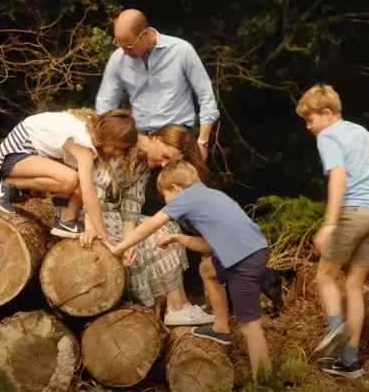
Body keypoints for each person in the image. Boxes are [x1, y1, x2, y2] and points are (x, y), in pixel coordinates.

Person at [105, 160, 271, 382]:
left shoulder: (185, 197)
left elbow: (152, 225)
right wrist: (178, 238)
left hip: (245, 259)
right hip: (248, 249)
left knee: (250, 326)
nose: (166, 203)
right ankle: (221, 328)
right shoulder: (208, 195)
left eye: (164, 196)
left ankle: (265, 382)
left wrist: (120, 247)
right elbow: (211, 245)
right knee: (207, 269)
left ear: (175, 189)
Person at [296, 84, 369, 378]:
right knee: (355, 284)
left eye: (310, 119)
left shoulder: (329, 135)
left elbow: (339, 177)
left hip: (354, 210)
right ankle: (350, 361)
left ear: (327, 113)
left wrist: (330, 223)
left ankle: (335, 329)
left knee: (325, 275)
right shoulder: (361, 133)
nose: (309, 127)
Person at [78, 126, 214, 326]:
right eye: (165, 156)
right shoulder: (123, 145)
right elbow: (93, 189)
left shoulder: (143, 163)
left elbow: (132, 202)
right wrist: (96, 229)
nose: (164, 163)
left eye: (170, 162)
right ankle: (166, 308)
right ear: (156, 138)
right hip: (89, 210)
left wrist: (129, 237)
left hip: (112, 212)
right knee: (151, 235)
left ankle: (178, 306)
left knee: (168, 228)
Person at [0, 108, 137, 240]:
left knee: (79, 182)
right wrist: (103, 234)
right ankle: (8, 184)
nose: (117, 153)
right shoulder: (83, 144)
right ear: (109, 136)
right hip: (11, 157)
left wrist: (91, 228)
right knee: (71, 180)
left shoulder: (89, 132)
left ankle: (67, 220)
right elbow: (89, 195)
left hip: (28, 159)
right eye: (117, 147)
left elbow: (88, 191)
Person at [95, 8, 219, 161]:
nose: (125, 52)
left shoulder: (181, 50)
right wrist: (117, 138)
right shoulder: (118, 59)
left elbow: (206, 95)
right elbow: (105, 105)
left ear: (145, 34)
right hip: (139, 140)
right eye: (119, 45)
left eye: (128, 46)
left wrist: (203, 141)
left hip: (178, 140)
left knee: (180, 185)